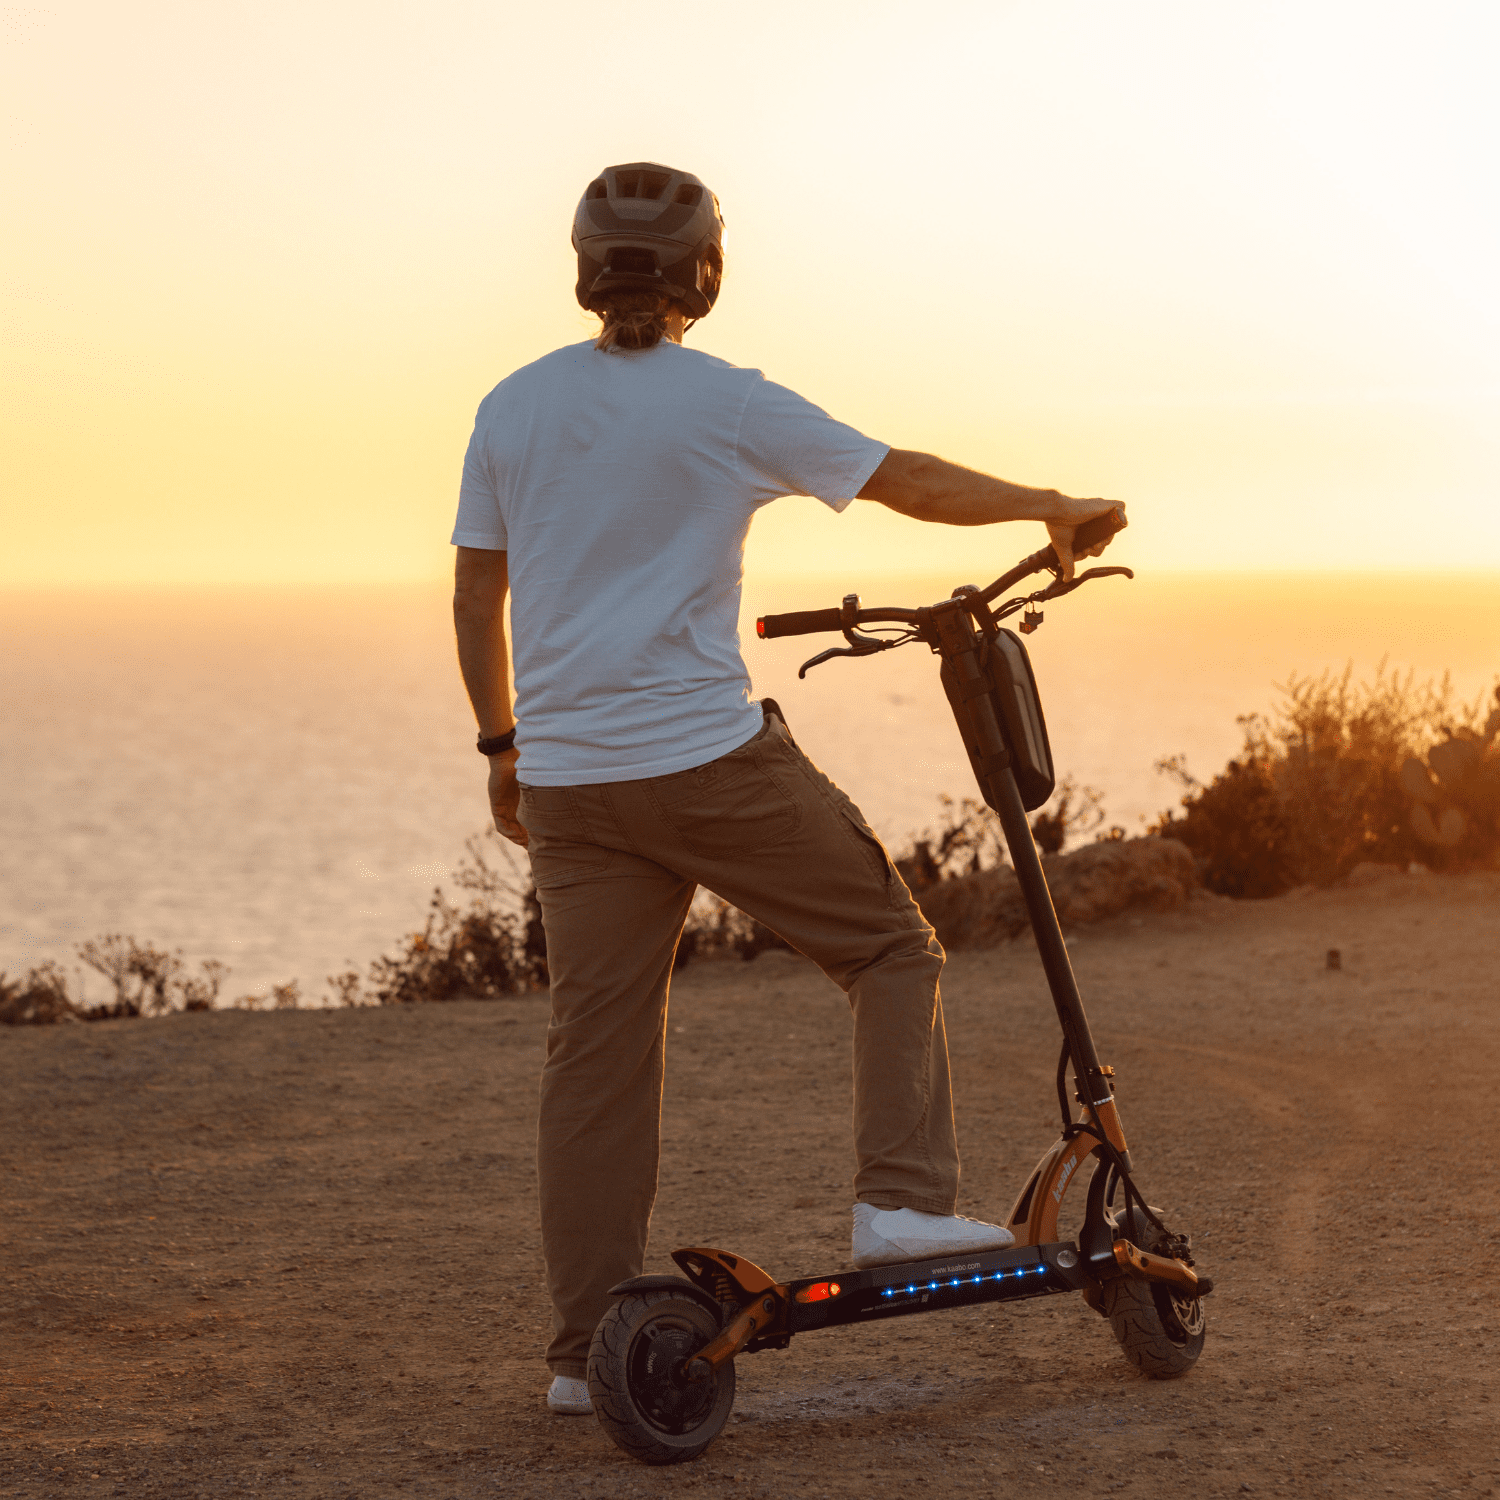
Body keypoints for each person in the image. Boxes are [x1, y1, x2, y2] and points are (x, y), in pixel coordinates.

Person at [450, 162, 1122, 1417]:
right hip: (705, 763)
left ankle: (583, 1357)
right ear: (707, 270)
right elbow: (902, 478)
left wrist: (504, 750)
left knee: (594, 1059)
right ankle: (903, 1206)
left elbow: (474, 591)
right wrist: (1050, 507)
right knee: (891, 948)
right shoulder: (727, 403)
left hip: (573, 786)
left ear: (585, 267)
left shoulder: (512, 406)